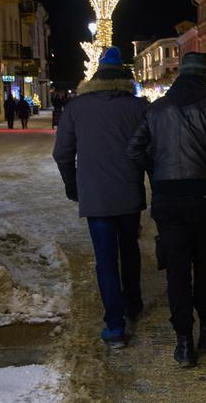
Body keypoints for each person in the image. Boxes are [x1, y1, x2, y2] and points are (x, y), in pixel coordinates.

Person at [127, 52, 206, 367]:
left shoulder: (156, 110)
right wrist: (205, 172)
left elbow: (133, 150)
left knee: (176, 270)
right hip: (201, 197)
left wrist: (157, 171)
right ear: (205, 77)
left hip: (167, 199)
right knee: (205, 265)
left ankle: (184, 343)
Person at [53, 46, 148, 348]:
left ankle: (115, 325)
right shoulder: (138, 107)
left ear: (97, 74)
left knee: (105, 258)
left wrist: (72, 185)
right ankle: (133, 302)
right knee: (130, 249)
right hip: (129, 193)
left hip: (95, 197)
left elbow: (62, 153)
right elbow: (150, 151)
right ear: (122, 74)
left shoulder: (77, 108)